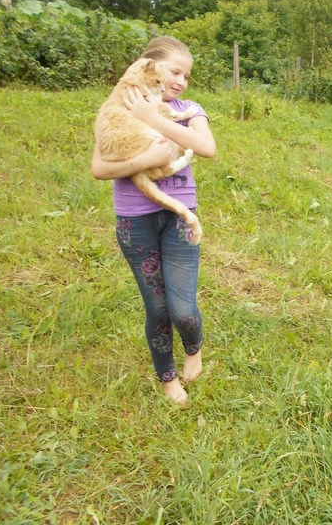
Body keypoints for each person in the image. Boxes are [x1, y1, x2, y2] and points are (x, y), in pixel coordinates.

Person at [91, 36, 216, 404]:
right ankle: (166, 378)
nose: (180, 81)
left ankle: (194, 345)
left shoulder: (190, 108)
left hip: (180, 219)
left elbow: (206, 148)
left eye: (187, 75)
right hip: (135, 221)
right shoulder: (119, 105)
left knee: (183, 309)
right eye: (175, 71)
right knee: (157, 307)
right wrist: (143, 161)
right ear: (151, 67)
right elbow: (99, 168)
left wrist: (152, 118)